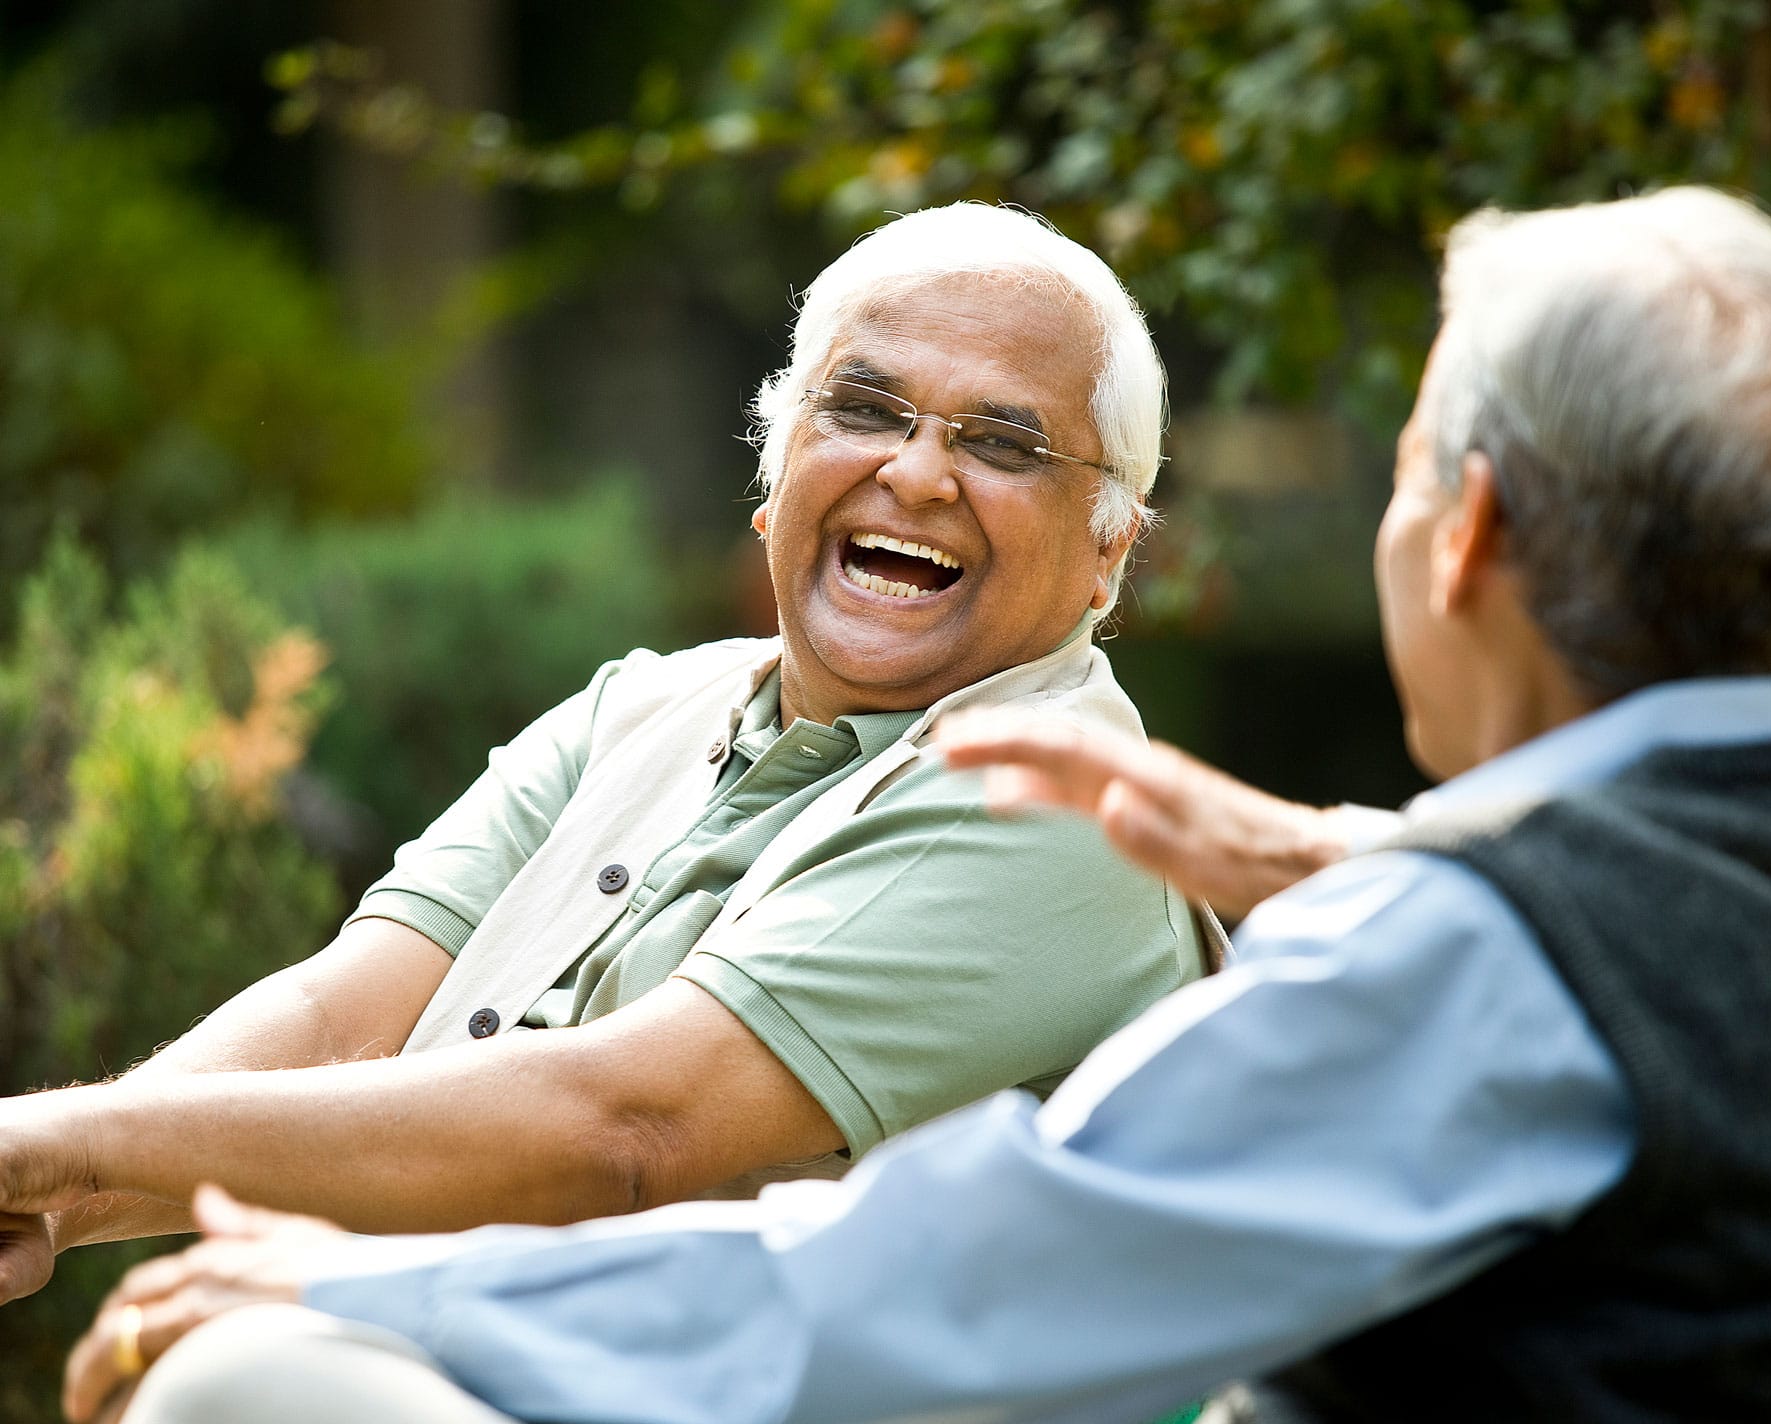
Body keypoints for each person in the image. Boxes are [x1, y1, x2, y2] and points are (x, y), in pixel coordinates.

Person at [64, 185, 1771, 1424]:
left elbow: (971, 1263)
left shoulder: (1488, 957)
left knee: (268, 1378)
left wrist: (388, 1276)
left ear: (1463, 523)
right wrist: (1338, 852)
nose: (916, 472)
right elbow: (1617, 950)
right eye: (865, 409)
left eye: (1401, 472)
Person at [0, 202, 1220, 1314]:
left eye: (1002, 443)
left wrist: (63, 1148)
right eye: (863, 409)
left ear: (1108, 552)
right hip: (485, 1351)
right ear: (774, 468)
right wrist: (47, 1198)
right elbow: (337, 1016)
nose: (914, 470)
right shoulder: (637, 707)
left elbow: (626, 1125)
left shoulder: (1056, 795)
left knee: (232, 1370)